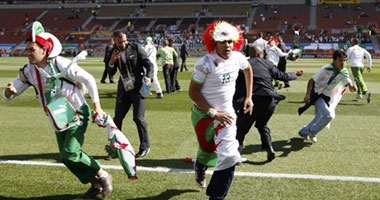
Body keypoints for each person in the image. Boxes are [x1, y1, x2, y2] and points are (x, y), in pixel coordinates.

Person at [2, 21, 112, 198]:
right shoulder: (28, 71)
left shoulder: (60, 63)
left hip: (77, 112)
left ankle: (103, 175)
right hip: (57, 117)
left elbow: (90, 80)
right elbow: (8, 95)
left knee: (70, 153)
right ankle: (95, 185)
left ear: (44, 50)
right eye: (27, 49)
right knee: (66, 158)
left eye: (32, 50)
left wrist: (97, 106)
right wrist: (8, 92)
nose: (28, 53)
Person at [189, 21, 253, 200]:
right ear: (214, 43)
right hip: (203, 115)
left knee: (231, 155)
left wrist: (249, 96)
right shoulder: (205, 64)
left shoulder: (238, 57)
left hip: (227, 116)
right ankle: (200, 167)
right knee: (206, 150)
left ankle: (216, 197)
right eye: (223, 42)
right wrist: (212, 112)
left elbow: (248, 69)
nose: (228, 45)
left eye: (231, 41)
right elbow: (193, 92)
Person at [233, 46, 303, 161]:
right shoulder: (268, 64)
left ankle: (235, 155)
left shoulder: (243, 64)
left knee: (241, 129)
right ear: (261, 54)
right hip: (269, 101)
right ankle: (269, 147)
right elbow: (283, 76)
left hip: (251, 101)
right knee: (262, 125)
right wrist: (295, 73)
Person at [108, 31, 153, 158]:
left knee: (138, 118)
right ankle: (116, 148)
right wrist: (112, 61)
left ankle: (145, 147)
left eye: (124, 41)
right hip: (124, 88)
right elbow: (110, 72)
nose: (123, 43)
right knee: (117, 119)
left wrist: (149, 77)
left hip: (138, 88)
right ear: (114, 41)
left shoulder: (136, 47)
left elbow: (149, 65)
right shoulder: (112, 51)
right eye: (120, 42)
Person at [298, 50, 357, 143]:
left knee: (318, 117)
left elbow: (349, 85)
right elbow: (311, 80)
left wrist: (353, 87)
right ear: (334, 60)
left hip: (327, 97)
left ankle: (303, 131)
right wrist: (308, 94)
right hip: (317, 94)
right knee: (328, 116)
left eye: (344, 60)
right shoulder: (326, 69)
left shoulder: (344, 71)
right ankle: (312, 132)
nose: (343, 63)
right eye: (340, 60)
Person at [345, 38, 372, 102]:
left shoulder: (350, 48)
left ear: (353, 42)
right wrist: (369, 65)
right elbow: (369, 56)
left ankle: (366, 93)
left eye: (352, 42)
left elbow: (346, 57)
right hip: (361, 66)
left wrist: (344, 64)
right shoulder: (362, 49)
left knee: (359, 79)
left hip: (354, 66)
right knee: (357, 79)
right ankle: (359, 93)